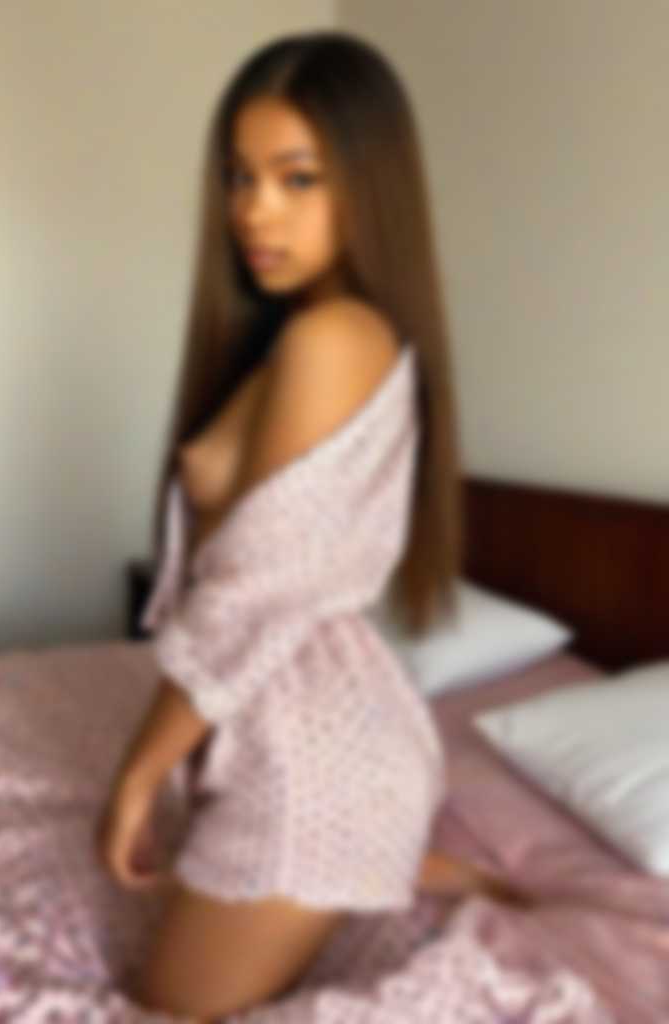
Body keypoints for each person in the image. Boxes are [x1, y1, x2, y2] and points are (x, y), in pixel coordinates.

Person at [96, 30, 530, 1022]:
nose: (255, 210)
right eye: (239, 177)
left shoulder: (334, 339)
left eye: (298, 178)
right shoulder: (304, 334)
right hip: (291, 730)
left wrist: (136, 775)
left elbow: (251, 596)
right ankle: (411, 863)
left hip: (315, 765)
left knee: (163, 1008)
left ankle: (374, 853)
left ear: (369, 187)